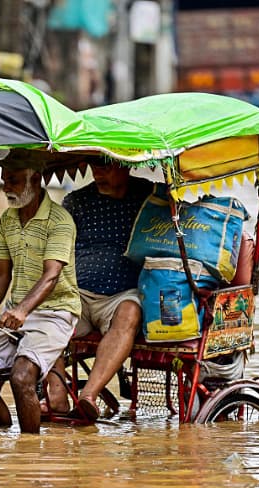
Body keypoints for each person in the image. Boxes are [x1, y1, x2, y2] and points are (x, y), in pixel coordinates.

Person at [0, 149, 81, 434]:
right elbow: (1, 275)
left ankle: (31, 449)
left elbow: (52, 274)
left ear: (36, 178)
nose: (7, 187)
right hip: (15, 313)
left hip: (55, 312)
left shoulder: (59, 221)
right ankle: (0, 439)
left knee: (22, 377)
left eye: (14, 180)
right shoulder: (7, 220)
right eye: (4, 180)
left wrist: (23, 310)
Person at [45, 159, 164, 422]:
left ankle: (89, 396)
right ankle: (57, 395)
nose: (98, 174)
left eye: (106, 167)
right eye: (95, 167)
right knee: (48, 315)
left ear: (124, 165)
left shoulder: (150, 197)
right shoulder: (77, 202)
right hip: (79, 295)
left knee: (130, 313)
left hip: (124, 294)